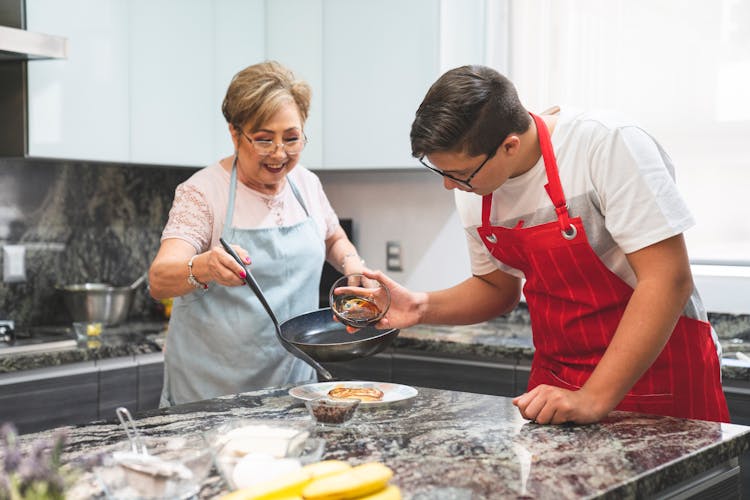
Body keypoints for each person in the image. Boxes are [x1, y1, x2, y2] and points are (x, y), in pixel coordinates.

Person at [364, 64, 729, 424]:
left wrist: (593, 397)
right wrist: (419, 306)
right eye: (441, 172)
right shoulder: (475, 187)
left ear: (510, 145)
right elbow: (497, 288)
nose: (449, 186)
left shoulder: (606, 145)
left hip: (658, 375)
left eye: (459, 174)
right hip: (555, 384)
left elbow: (667, 279)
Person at [149, 61, 365, 406]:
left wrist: (353, 266)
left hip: (292, 384)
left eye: (292, 138)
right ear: (235, 134)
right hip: (211, 392)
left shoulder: (306, 185)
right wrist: (204, 267)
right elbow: (159, 280)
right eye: (264, 140)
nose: (280, 153)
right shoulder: (203, 193)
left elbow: (333, 238)